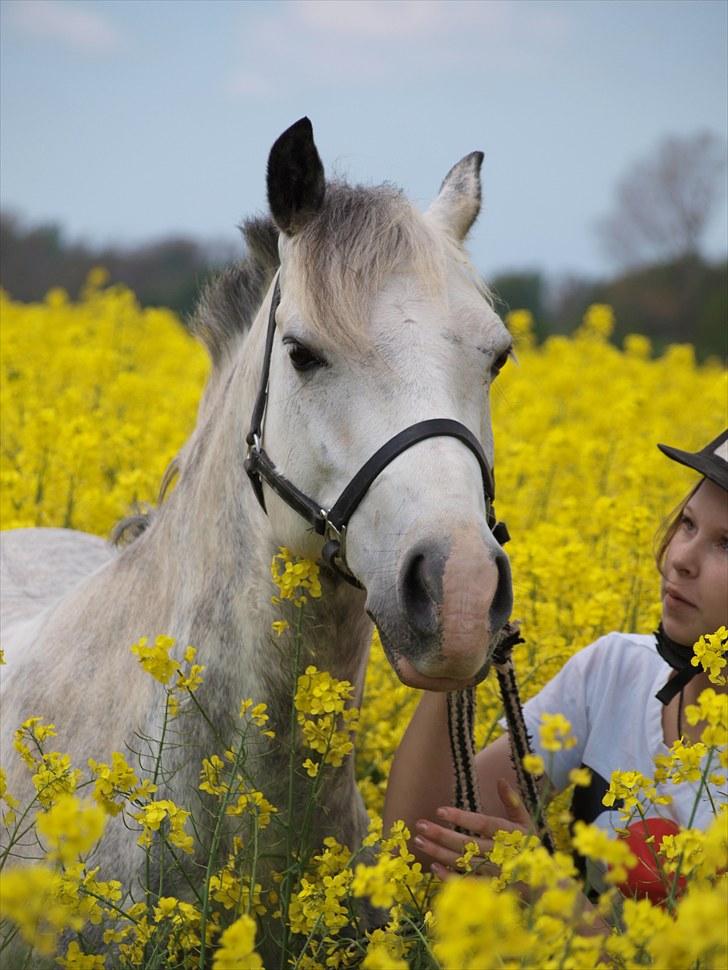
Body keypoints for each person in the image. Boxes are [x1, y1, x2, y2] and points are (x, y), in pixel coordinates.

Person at [384, 430, 728, 901]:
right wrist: (455, 667)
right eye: (687, 524)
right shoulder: (614, 673)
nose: (682, 559)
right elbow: (421, 845)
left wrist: (557, 901)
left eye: (727, 544)